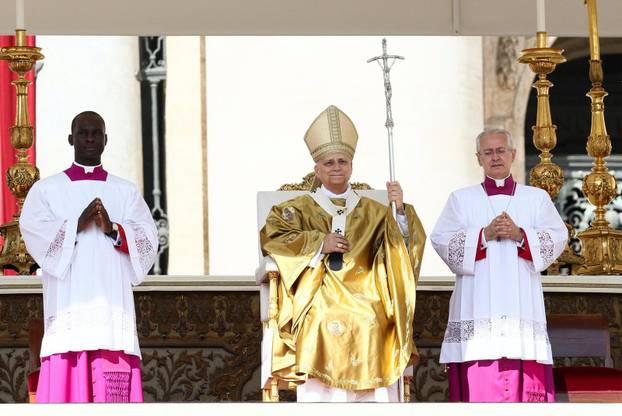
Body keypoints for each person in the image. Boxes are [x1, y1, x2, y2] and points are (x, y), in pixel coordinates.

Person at [260, 105, 425, 402]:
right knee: (322, 318)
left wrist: (399, 211)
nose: (336, 167)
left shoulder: (375, 211)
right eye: (329, 162)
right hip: (319, 293)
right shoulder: (296, 208)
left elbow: (402, 248)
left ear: (351, 166)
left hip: (367, 291)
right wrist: (317, 243)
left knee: (374, 318)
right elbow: (274, 238)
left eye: (342, 161)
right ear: (317, 169)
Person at [20, 111, 158, 403]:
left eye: (96, 133)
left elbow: (148, 240)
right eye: (83, 133)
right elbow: (32, 230)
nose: (90, 139)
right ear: (71, 138)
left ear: (106, 140)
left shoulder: (126, 191)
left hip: (111, 316)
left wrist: (115, 230)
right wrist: (75, 225)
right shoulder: (46, 190)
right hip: (69, 310)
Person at [430, 128, 567, 402]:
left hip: (521, 307)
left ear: (513, 155)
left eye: (500, 150)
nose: (495, 157)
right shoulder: (461, 199)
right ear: (478, 158)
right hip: (476, 305)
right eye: (488, 152)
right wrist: (483, 235)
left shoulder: (536, 198)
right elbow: (441, 240)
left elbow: (558, 236)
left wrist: (520, 235)